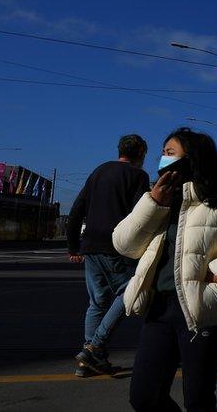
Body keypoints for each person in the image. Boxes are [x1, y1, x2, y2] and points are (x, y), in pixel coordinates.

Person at [113, 127, 217, 411]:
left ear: (192, 160)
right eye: (162, 154)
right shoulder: (158, 200)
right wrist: (153, 203)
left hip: (205, 310)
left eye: (169, 153)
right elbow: (124, 245)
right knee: (144, 397)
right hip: (158, 310)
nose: (162, 160)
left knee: (198, 398)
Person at [66, 134, 149, 377]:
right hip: (117, 246)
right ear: (141, 153)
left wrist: (74, 246)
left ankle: (91, 361)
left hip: (90, 245)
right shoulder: (138, 176)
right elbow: (140, 216)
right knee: (128, 291)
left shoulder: (99, 171)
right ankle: (95, 346)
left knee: (97, 302)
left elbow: (77, 209)